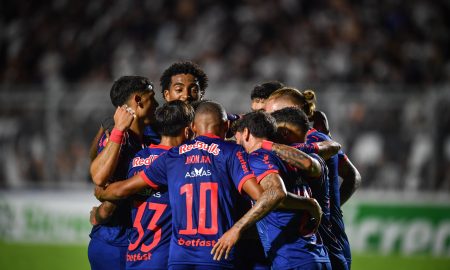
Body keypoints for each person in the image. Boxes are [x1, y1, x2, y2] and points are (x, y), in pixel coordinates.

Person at [95, 101, 285, 269]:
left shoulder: (172, 156)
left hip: (179, 257)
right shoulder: (231, 152)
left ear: (193, 127)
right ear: (226, 126)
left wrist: (101, 193)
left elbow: (122, 190)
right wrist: (237, 229)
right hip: (217, 253)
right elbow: (263, 197)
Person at [265, 87, 360, 268]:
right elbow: (354, 176)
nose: (269, 119)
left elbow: (352, 176)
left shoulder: (308, 143)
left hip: (321, 243)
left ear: (293, 112)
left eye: (273, 113)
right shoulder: (320, 138)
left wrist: (328, 207)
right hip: (324, 240)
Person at [233, 111, 331, 270]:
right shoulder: (294, 155)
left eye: (236, 137)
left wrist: (236, 229)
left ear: (246, 133)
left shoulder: (258, 157)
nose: (236, 142)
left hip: (293, 259)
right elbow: (320, 155)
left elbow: (276, 194)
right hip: (318, 255)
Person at [88, 76, 159, 270]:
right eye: (152, 97)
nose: (157, 103)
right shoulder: (120, 139)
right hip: (116, 243)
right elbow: (100, 178)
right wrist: (102, 213)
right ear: (138, 100)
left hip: (130, 241)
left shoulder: (146, 136)